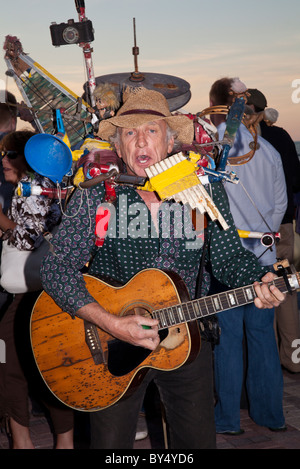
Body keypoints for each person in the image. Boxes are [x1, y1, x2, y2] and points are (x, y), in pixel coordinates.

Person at [41, 87, 286, 449]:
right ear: (119, 146)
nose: (141, 140)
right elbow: (56, 268)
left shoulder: (202, 190)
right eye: (130, 132)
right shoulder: (97, 192)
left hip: (187, 339)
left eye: (151, 130)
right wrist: (109, 322)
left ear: (170, 141)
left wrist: (258, 280)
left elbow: (228, 257)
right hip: (109, 345)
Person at [209, 77, 288, 435]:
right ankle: (271, 415)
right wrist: (262, 240)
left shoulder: (215, 148)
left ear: (215, 108)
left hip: (227, 256)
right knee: (263, 337)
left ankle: (227, 419)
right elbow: (281, 204)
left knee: (227, 340)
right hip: (264, 254)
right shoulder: (268, 150)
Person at [0, 130, 74, 449]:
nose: (3, 159)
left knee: (11, 365)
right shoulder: (42, 187)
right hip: (43, 288)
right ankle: (62, 441)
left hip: (33, 290)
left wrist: (2, 227)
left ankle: (23, 441)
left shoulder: (34, 191)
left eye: (10, 154)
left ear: (29, 160)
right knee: (53, 365)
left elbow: (35, 237)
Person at [247, 88, 300, 373]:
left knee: (259, 292)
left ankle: (264, 364)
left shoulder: (250, 140)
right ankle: (292, 358)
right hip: (285, 224)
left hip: (259, 230)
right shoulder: (281, 137)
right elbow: (295, 180)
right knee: (286, 288)